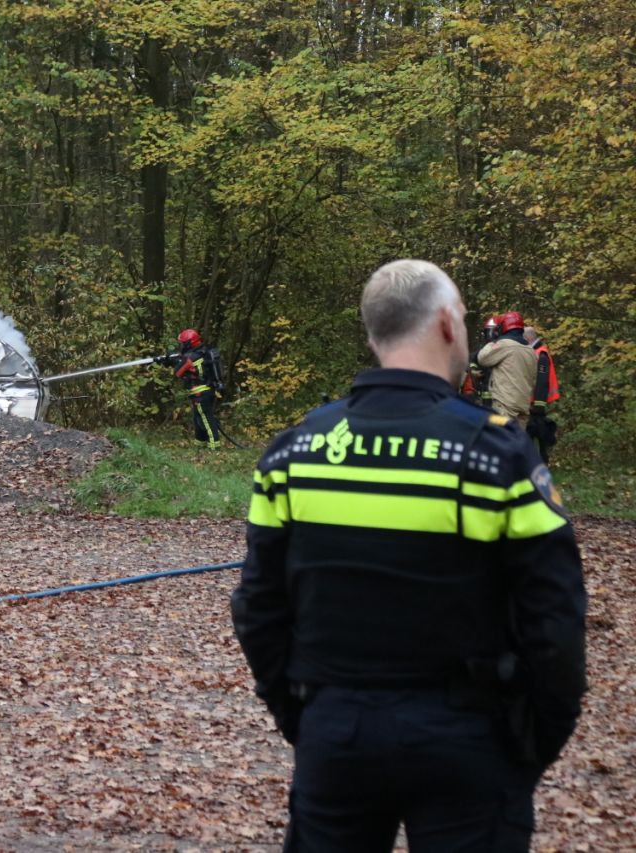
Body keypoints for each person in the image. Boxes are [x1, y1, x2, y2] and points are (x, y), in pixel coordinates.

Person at [231, 259, 586, 852]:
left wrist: (307, 717)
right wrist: (527, 747)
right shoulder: (496, 452)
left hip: (335, 734)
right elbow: (555, 619)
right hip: (468, 739)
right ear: (448, 323)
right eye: (468, 320)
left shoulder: (297, 449)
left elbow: (258, 606)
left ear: (374, 335)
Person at [162, 329, 225, 448]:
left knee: (206, 420)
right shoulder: (201, 352)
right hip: (206, 390)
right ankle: (200, 444)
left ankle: (214, 446)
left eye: (182, 343)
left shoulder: (190, 357)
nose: (181, 345)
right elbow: (185, 363)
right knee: (198, 420)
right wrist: (171, 359)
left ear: (188, 343)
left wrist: (169, 361)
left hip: (200, 393)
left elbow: (178, 372)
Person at [477, 311, 538, 427]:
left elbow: (482, 358)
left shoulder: (505, 344)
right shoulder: (531, 351)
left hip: (505, 407)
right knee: (517, 441)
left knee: (500, 441)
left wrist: (491, 341)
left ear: (504, 327)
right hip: (523, 407)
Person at [523, 326, 560, 464]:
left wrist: (538, 404)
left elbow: (542, 381)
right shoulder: (535, 352)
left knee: (539, 434)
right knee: (535, 433)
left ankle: (541, 464)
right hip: (534, 402)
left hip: (538, 403)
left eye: (523, 337)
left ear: (529, 337)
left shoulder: (540, 354)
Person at [461, 314, 502, 406]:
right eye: (487, 331)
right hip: (485, 391)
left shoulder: (504, 348)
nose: (489, 334)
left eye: (490, 331)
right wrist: (474, 370)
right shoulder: (484, 348)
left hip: (501, 394)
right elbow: (472, 359)